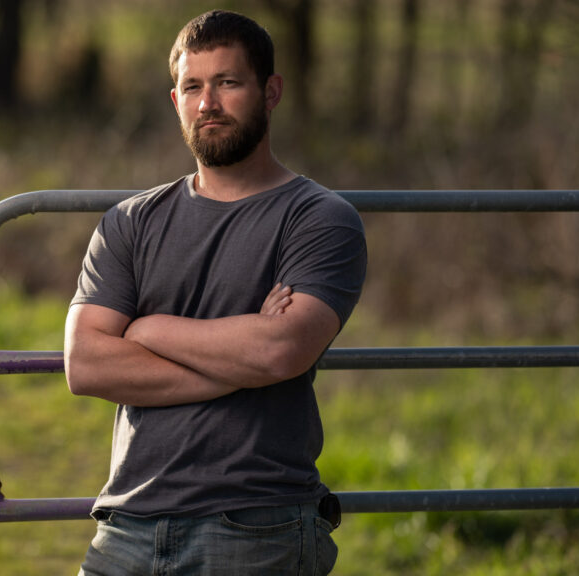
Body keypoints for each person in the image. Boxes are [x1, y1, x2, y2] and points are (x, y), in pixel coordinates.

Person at [64, 9, 367, 575]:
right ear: (174, 98)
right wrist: (244, 354)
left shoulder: (320, 219)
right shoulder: (130, 223)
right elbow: (86, 365)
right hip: (127, 522)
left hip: (256, 523)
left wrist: (148, 330)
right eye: (193, 86)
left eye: (228, 83)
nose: (208, 103)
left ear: (270, 91)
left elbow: (282, 351)